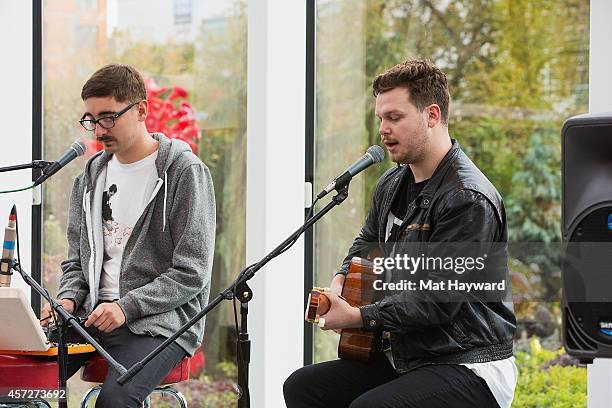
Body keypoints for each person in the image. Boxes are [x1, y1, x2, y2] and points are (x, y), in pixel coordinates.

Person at [284, 59, 517, 408]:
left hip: (469, 362)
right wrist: (340, 281)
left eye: (394, 117)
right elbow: (367, 243)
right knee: (303, 388)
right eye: (380, 118)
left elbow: (437, 302)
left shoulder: (467, 198)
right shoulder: (392, 183)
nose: (383, 129)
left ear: (432, 115)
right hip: (409, 356)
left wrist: (358, 317)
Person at [40, 63, 216, 407]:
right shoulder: (89, 180)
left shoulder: (184, 173)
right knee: (14, 381)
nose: (98, 130)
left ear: (141, 110)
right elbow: (77, 261)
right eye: (90, 119)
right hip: (91, 315)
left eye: (108, 117)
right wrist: (68, 300)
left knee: (114, 402)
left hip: (159, 324)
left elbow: (192, 271)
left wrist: (126, 307)